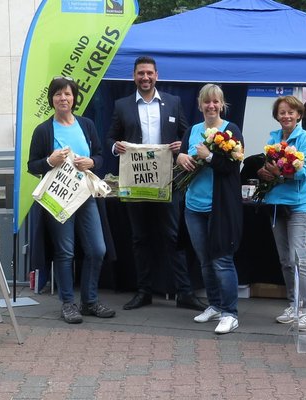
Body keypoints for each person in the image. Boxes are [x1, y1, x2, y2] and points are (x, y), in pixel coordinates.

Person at [106, 56, 206, 312]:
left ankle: (184, 292)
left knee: (173, 237)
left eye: (149, 73)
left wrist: (181, 146)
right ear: (134, 76)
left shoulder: (172, 103)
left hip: (167, 181)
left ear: (157, 75)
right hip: (136, 181)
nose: (145, 77)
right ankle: (144, 291)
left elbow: (187, 133)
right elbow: (111, 137)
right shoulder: (122, 105)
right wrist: (115, 147)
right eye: (141, 73)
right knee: (140, 238)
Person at [28, 76, 115, 324]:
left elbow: (99, 156)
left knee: (97, 249)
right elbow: (32, 165)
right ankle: (68, 303)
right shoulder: (44, 130)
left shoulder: (86, 125)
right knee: (65, 251)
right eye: (58, 94)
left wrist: (93, 162)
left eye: (67, 94)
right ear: (51, 99)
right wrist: (49, 161)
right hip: (58, 198)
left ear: (75, 98)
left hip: (86, 196)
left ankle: (89, 301)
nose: (63, 98)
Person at [176, 84, 244, 334]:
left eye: (216, 102)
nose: (211, 106)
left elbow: (232, 167)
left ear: (222, 104)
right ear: (200, 104)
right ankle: (214, 305)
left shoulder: (231, 130)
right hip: (194, 207)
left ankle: (230, 312)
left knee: (222, 260)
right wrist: (181, 158)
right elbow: (182, 157)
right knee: (205, 260)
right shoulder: (193, 130)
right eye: (207, 102)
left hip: (220, 209)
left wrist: (208, 156)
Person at [257, 96, 306, 330]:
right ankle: (294, 306)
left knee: (298, 259)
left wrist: (283, 174)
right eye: (282, 112)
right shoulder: (273, 138)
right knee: (285, 261)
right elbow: (269, 168)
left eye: (290, 112)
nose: (286, 116)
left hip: (299, 206)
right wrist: (265, 173)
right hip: (276, 205)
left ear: (299, 115)